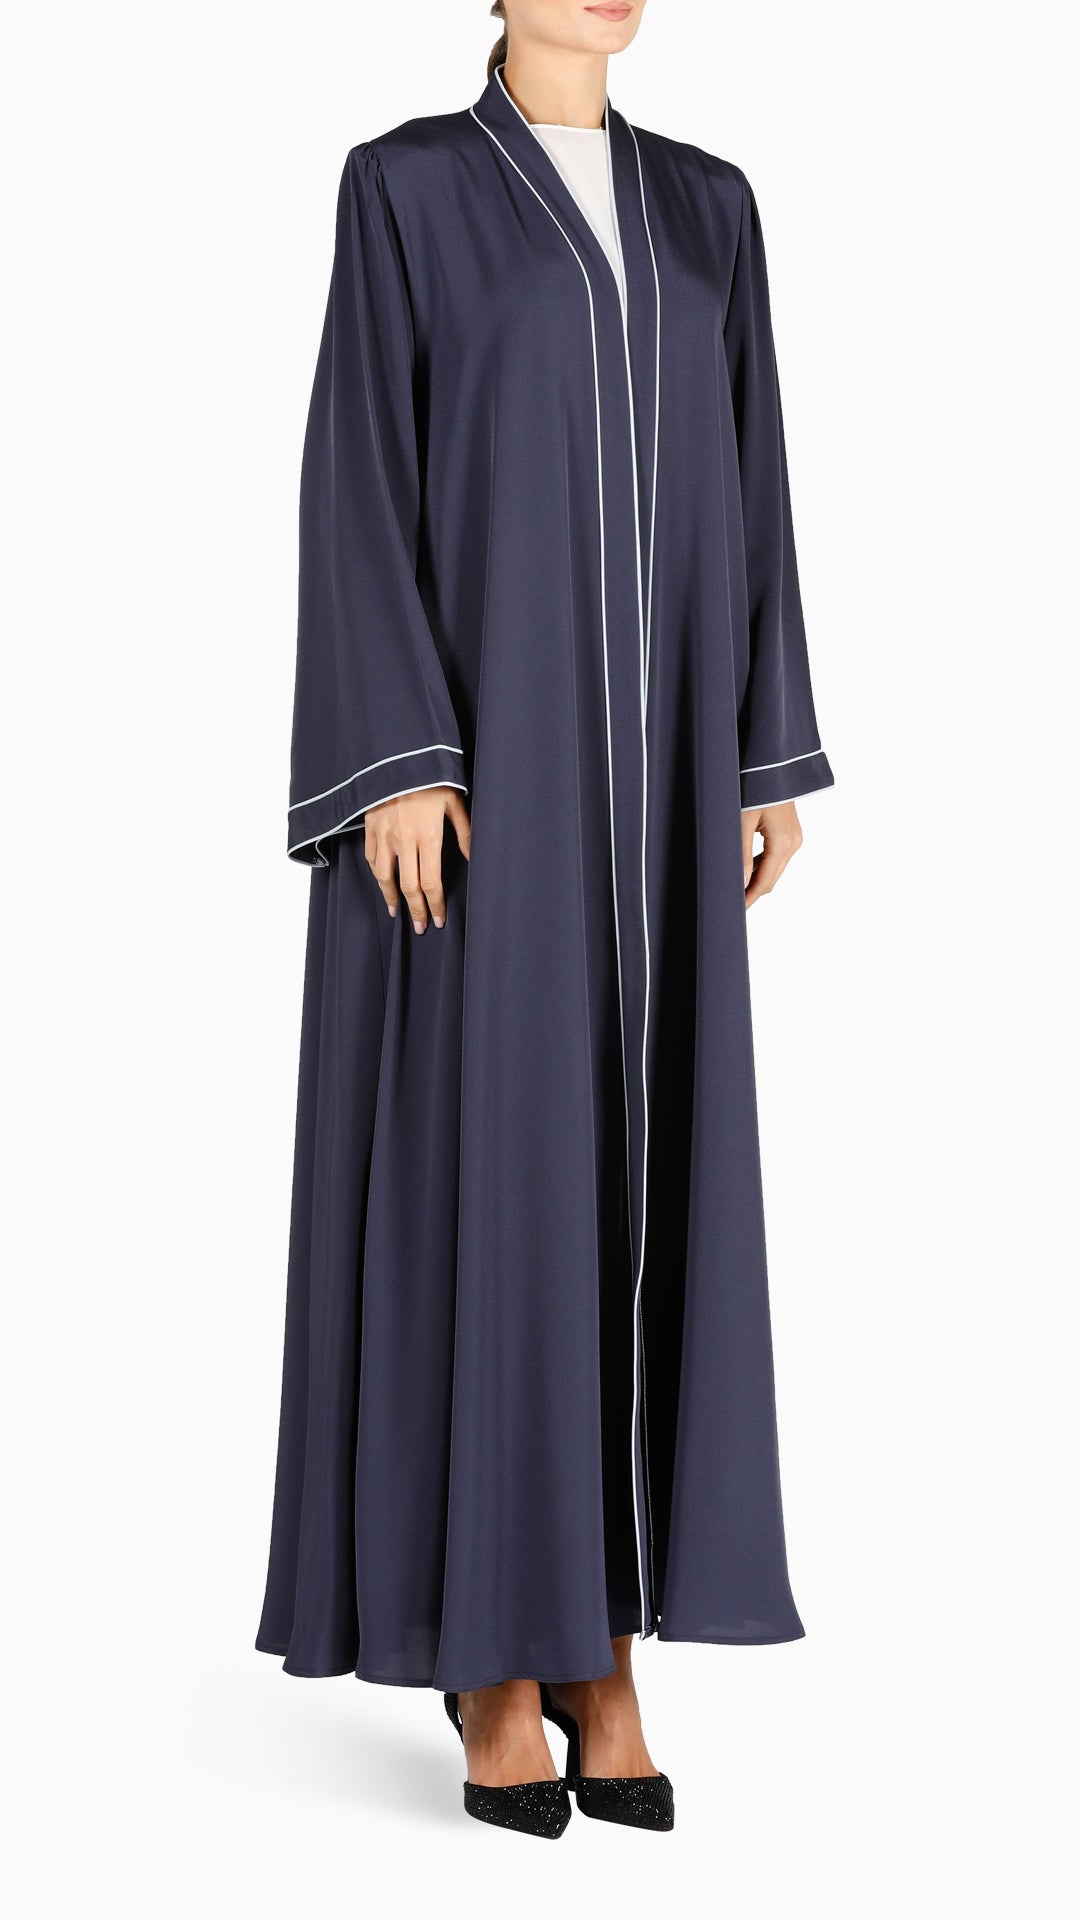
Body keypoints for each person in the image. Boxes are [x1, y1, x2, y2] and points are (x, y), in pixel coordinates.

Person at [256, 0, 833, 1838]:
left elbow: (754, 478)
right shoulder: (409, 191)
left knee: (645, 1188)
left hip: (661, 795)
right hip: (484, 787)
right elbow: (357, 469)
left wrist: (759, 749)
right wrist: (397, 755)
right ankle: (494, 1650)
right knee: (491, 1187)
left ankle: (606, 1646)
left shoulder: (711, 207)